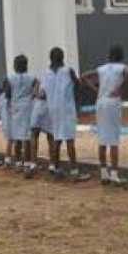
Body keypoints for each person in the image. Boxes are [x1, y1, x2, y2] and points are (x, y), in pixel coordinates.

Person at [82, 45, 128, 185]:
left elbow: (84, 76)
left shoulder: (102, 68)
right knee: (114, 139)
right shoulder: (121, 67)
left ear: (109, 56)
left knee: (102, 138)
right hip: (113, 102)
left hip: (100, 101)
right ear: (121, 56)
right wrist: (119, 88)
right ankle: (114, 174)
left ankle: (104, 173)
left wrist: (96, 89)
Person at [43, 47, 90, 182]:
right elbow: (78, 85)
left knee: (57, 139)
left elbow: (43, 92)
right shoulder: (68, 71)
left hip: (53, 110)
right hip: (66, 109)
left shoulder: (46, 74)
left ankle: (56, 168)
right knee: (69, 140)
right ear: (62, 58)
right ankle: (74, 171)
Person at [5, 55, 36, 176]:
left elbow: (7, 93)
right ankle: (27, 164)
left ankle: (18, 163)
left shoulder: (10, 78)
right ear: (26, 65)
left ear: (15, 65)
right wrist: (31, 96)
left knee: (17, 136)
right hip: (28, 107)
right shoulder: (32, 77)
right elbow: (36, 89)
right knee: (26, 137)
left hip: (16, 107)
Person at [29, 59, 55, 176]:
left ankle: (33, 163)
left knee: (34, 135)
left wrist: (37, 95)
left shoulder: (42, 76)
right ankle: (52, 164)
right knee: (51, 136)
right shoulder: (57, 78)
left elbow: (36, 93)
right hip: (49, 108)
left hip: (38, 107)